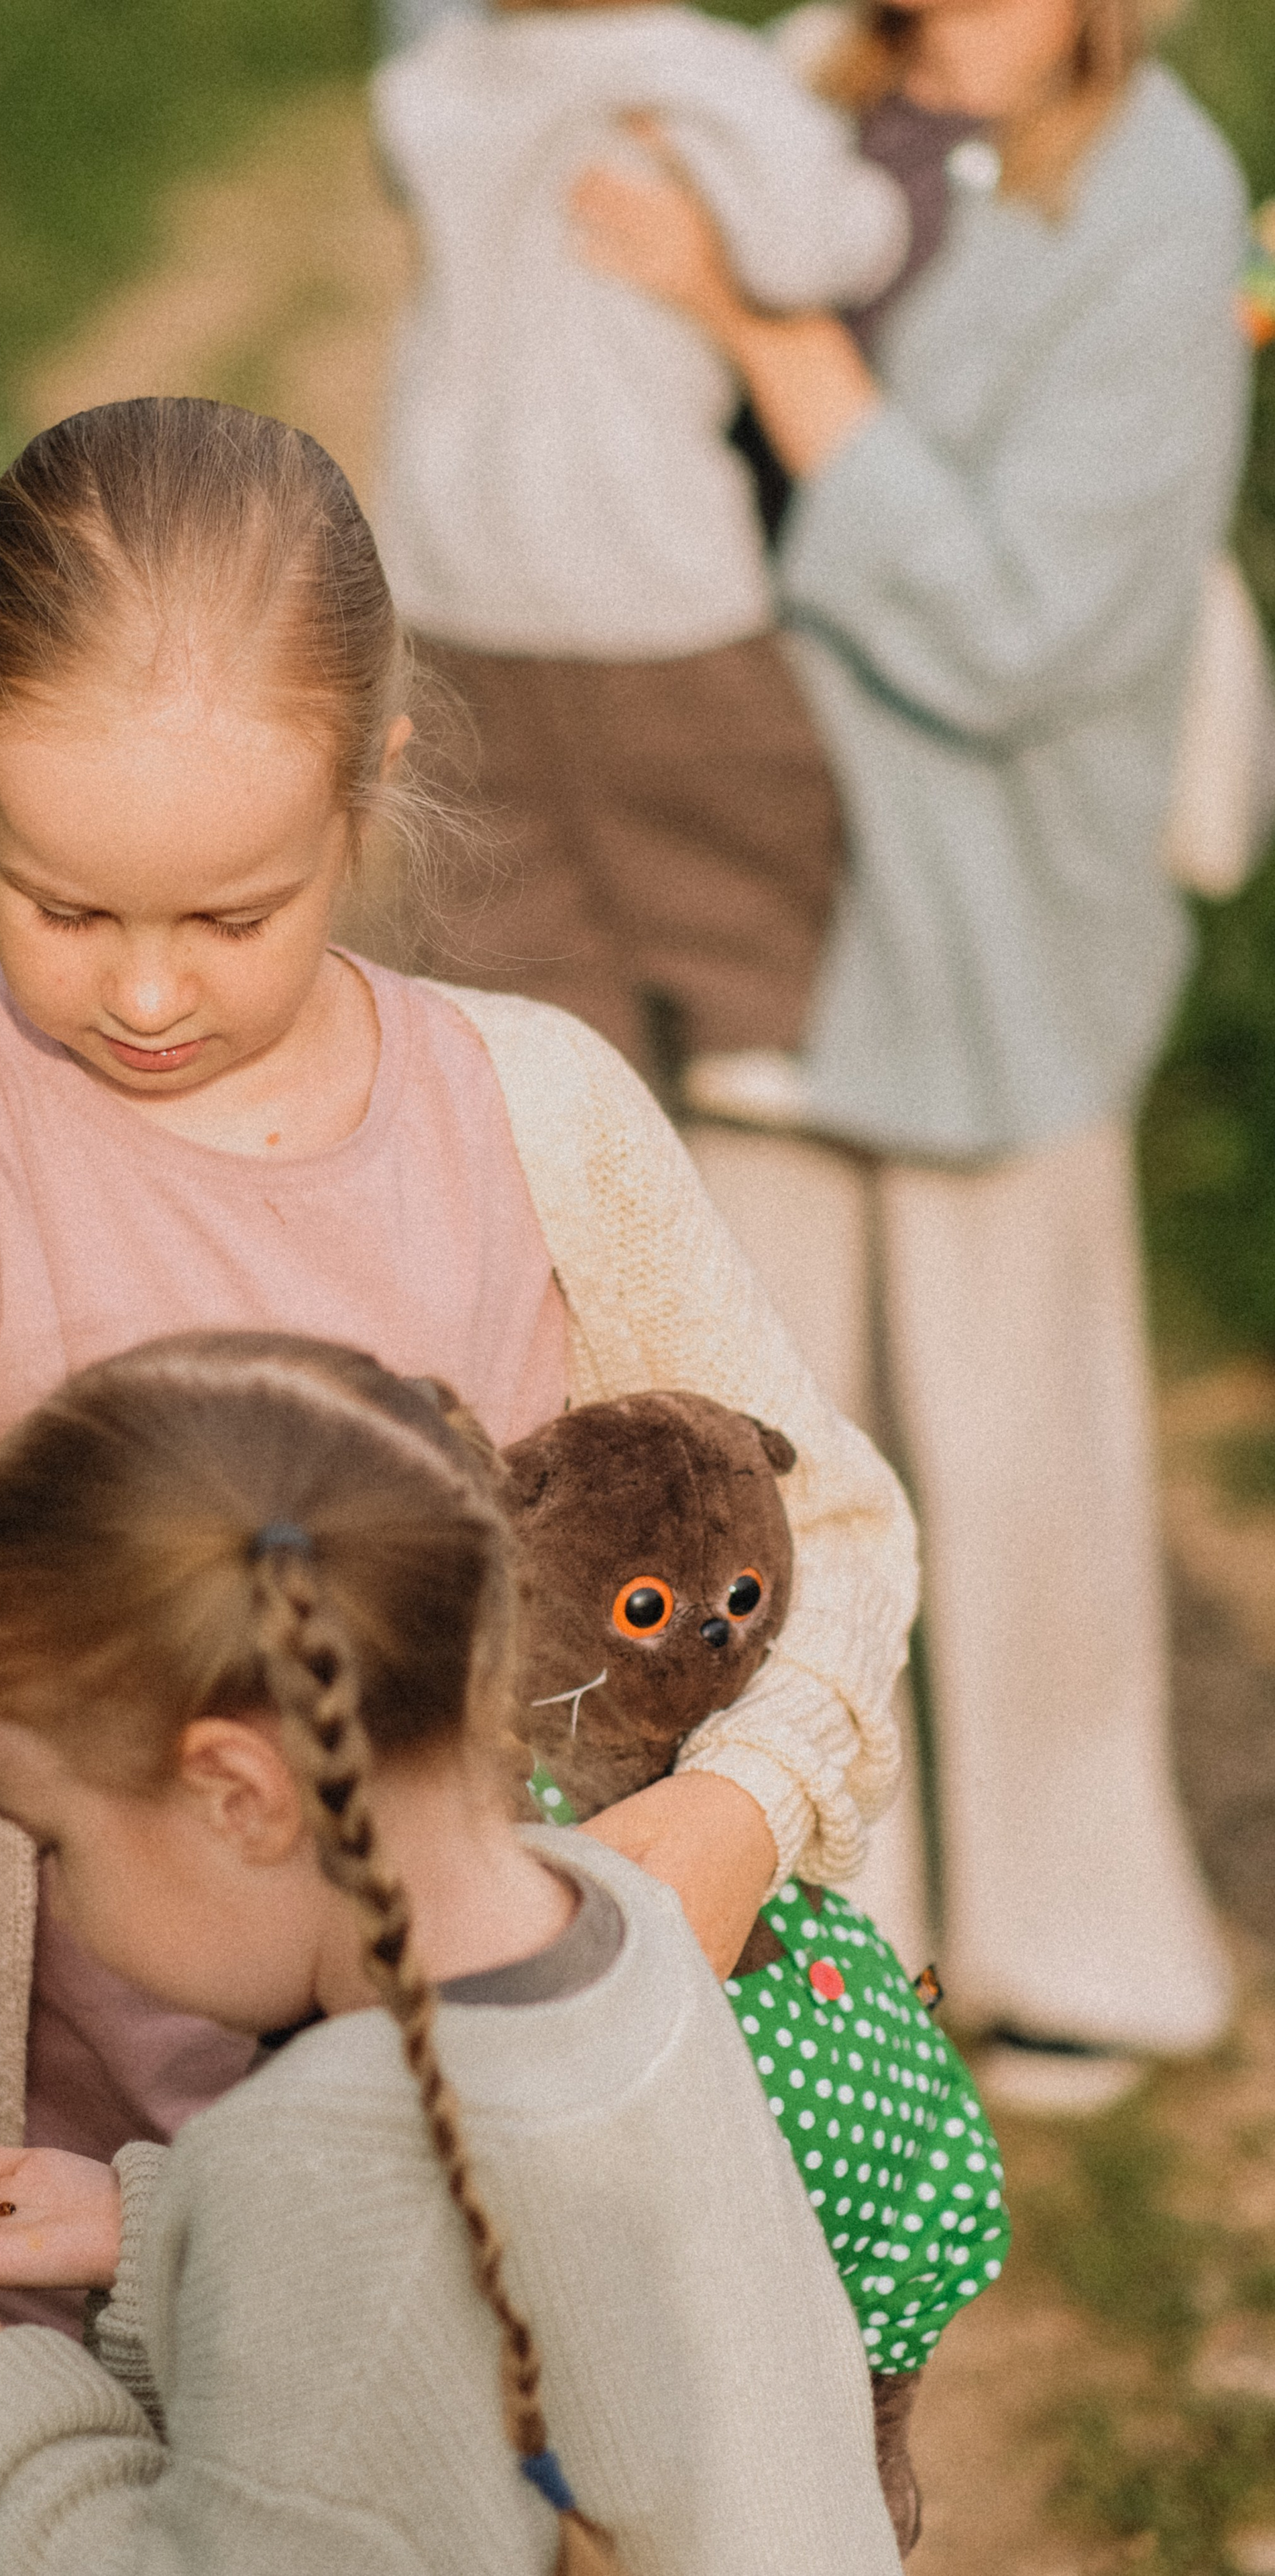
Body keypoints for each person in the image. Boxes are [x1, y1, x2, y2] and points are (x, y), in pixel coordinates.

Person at [0, 396, 918, 2268]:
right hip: (80, 2224)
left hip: (532, 2199)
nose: (152, 988)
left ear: (369, 787)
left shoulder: (539, 1114)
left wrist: (749, 1808)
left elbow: (819, 1529)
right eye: (62, 905)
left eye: (234, 913)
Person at [0, 1336, 905, 2575]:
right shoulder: (626, 1931)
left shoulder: (309, 2171)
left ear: (238, 1793)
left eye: (54, 1838)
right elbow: (494, 2321)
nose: (59, 1896)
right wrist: (166, 2231)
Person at [568, 0, 1250, 2102]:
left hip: (982, 915)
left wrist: (762, 341)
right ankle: (825, 1924)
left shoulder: (1158, 200)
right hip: (745, 877)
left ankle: (1074, 1944)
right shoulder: (783, 90)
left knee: (1017, 1445)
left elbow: (1023, 621)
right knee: (760, 1453)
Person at [372, 0, 911, 1091]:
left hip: (454, 566)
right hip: (642, 559)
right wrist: (882, 207)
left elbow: (409, 133)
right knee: (739, 828)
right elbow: (808, 246)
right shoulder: (700, 74)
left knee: (506, 883)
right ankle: (750, 1047)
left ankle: (558, 1097)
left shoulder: (432, 82)